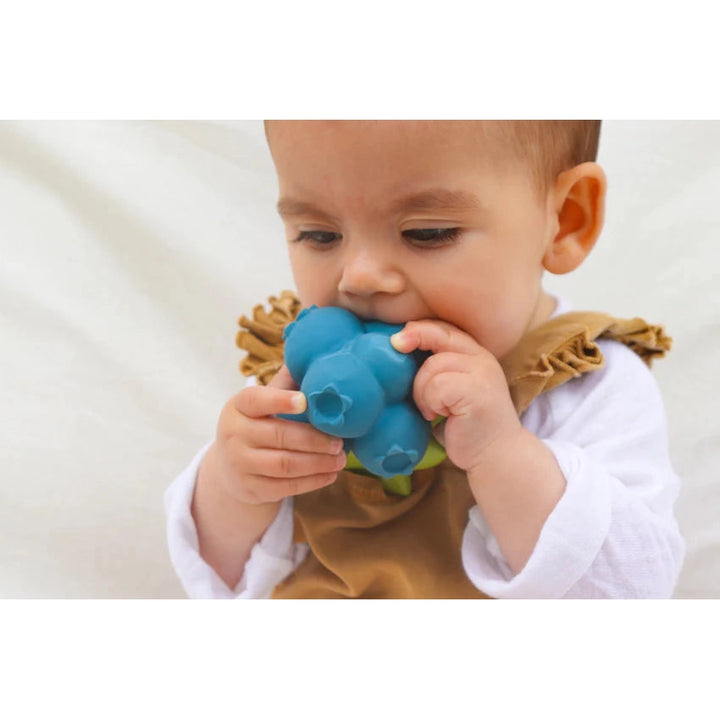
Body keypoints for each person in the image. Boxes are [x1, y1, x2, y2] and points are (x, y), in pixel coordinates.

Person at [164, 120, 685, 598]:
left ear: (565, 220)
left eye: (426, 233)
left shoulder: (589, 380)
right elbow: (218, 577)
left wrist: (500, 453)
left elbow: (632, 590)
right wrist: (234, 487)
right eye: (319, 235)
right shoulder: (297, 379)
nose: (358, 277)